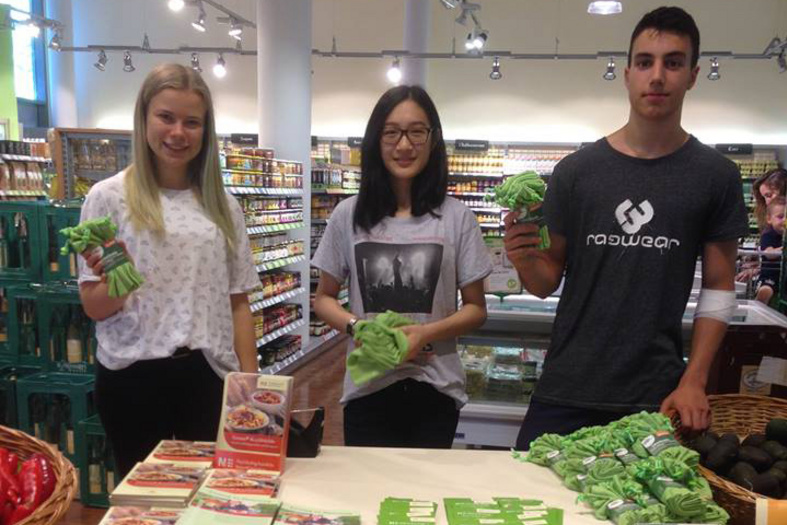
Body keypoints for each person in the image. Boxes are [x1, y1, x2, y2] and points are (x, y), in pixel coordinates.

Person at [504, 7, 749, 450]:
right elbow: (545, 282)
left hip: (657, 395)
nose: (657, 76)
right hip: (566, 387)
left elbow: (719, 286)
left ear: (692, 75)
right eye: (645, 62)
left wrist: (694, 379)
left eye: (672, 63)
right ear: (626, 72)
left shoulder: (716, 176)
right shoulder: (576, 172)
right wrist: (523, 257)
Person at [78, 63, 260, 478]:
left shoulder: (223, 206)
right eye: (166, 117)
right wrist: (117, 282)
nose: (178, 132)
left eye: (191, 122)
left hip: (209, 374)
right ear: (144, 119)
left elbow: (238, 301)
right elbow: (94, 306)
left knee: (215, 496)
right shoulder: (107, 198)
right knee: (144, 504)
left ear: (205, 130)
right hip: (132, 375)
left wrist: (250, 380)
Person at [311, 85, 492, 448]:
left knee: (428, 499)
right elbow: (324, 299)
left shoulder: (457, 217)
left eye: (416, 131)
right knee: (368, 496)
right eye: (391, 132)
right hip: (368, 387)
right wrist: (357, 327)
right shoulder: (349, 214)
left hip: (437, 388)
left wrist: (424, 334)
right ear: (376, 140)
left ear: (433, 139)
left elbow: (476, 309)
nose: (404, 145)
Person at [755, 196, 785, 305]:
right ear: (769, 219)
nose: (785, 221)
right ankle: (759, 311)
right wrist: (784, 250)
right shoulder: (769, 234)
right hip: (770, 276)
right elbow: (768, 253)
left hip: (785, 276)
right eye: (780, 217)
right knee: (765, 290)